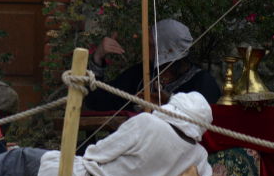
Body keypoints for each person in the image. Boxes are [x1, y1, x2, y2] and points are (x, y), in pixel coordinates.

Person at [36, 91, 214, 176]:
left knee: (23, 158)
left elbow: (96, 154)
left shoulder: (148, 123)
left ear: (173, 108)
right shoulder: (199, 156)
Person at [84, 19, 221, 111]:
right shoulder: (140, 74)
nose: (145, 50)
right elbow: (96, 102)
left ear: (164, 50)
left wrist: (168, 102)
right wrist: (98, 56)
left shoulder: (202, 83)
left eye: (150, 45)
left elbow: (201, 118)